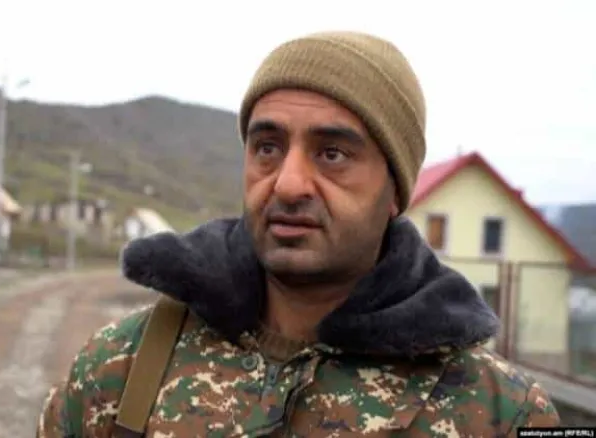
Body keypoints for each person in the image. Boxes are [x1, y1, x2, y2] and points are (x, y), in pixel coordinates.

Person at [37, 30, 560, 437]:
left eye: (332, 153)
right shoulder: (123, 367)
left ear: (394, 190)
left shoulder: (504, 413)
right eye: (267, 147)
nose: (287, 184)